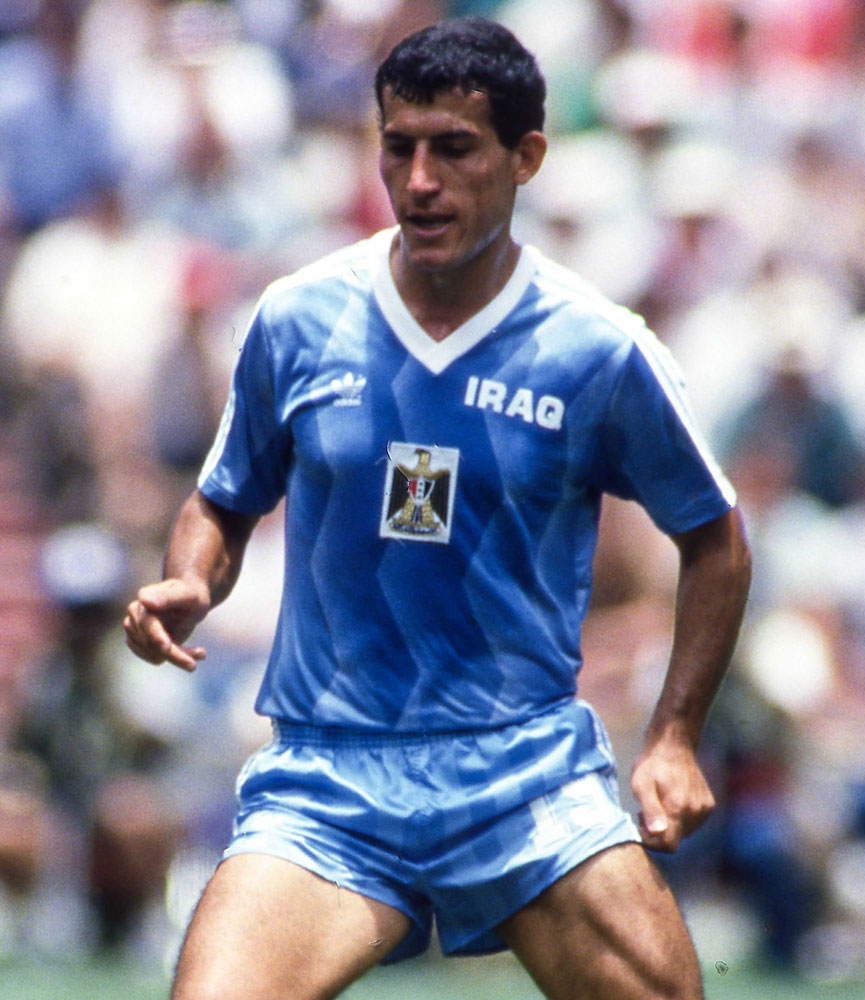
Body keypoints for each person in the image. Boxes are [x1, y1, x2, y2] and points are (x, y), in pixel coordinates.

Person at [124, 17, 751, 1000]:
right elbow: (221, 499)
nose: (419, 181)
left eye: (454, 149)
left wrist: (673, 733)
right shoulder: (298, 318)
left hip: (522, 774)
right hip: (330, 779)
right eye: (398, 147)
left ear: (524, 157)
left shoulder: (596, 348)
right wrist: (191, 581)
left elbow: (713, 539)